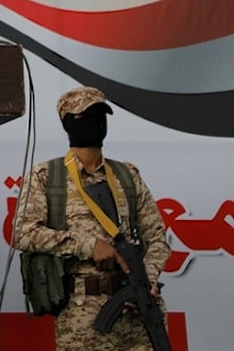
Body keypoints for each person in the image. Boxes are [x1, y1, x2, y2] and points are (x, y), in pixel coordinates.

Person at [13, 86, 171, 350]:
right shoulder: (47, 177)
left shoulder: (126, 176)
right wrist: (87, 246)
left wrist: (147, 280)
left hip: (138, 313)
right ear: (67, 123)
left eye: (100, 114)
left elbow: (156, 239)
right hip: (83, 316)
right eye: (86, 115)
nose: (96, 121)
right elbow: (24, 233)